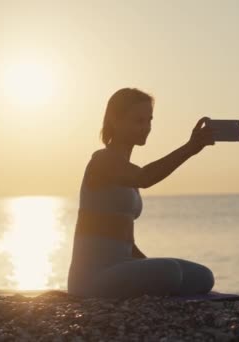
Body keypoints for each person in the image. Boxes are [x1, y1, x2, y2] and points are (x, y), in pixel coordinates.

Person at [67, 87, 217, 298]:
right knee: (171, 271)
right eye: (138, 121)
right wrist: (190, 148)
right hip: (91, 278)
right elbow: (146, 177)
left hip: (121, 266)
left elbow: (126, 239)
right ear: (114, 121)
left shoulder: (128, 171)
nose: (146, 127)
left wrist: (146, 265)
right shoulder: (102, 160)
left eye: (149, 120)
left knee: (202, 276)